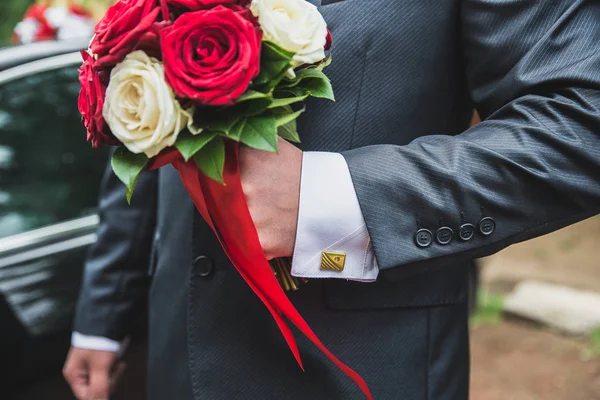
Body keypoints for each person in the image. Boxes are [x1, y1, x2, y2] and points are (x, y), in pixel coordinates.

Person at [63, 1, 600, 399]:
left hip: (361, 363)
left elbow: (581, 122)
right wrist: (101, 319)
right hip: (178, 358)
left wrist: (327, 200)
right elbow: (145, 141)